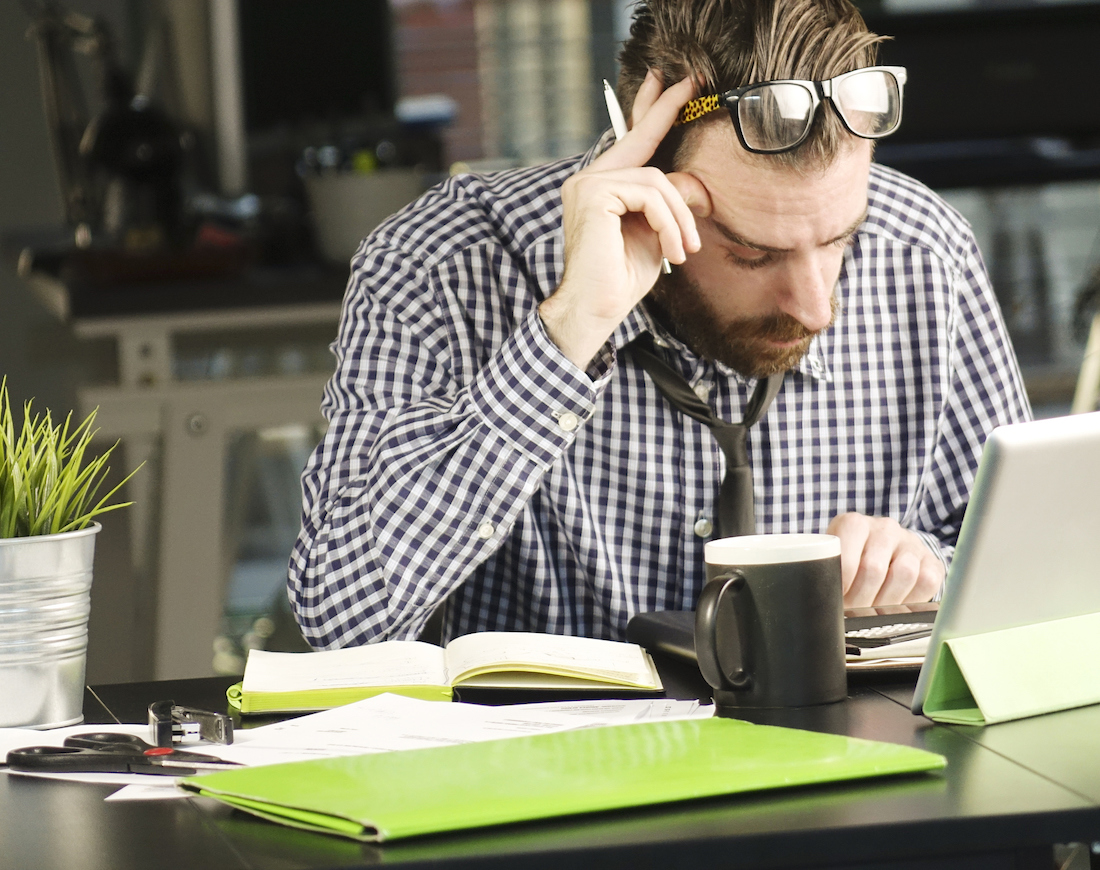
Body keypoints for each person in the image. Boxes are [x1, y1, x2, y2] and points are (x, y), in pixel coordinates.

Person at [288, 0, 1031, 650]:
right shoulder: (440, 265)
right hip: (559, 793)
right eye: (751, 252)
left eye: (840, 240)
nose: (816, 306)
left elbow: (1036, 577)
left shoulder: (924, 250)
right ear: (640, 165)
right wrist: (570, 329)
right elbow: (339, 619)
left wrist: (926, 569)